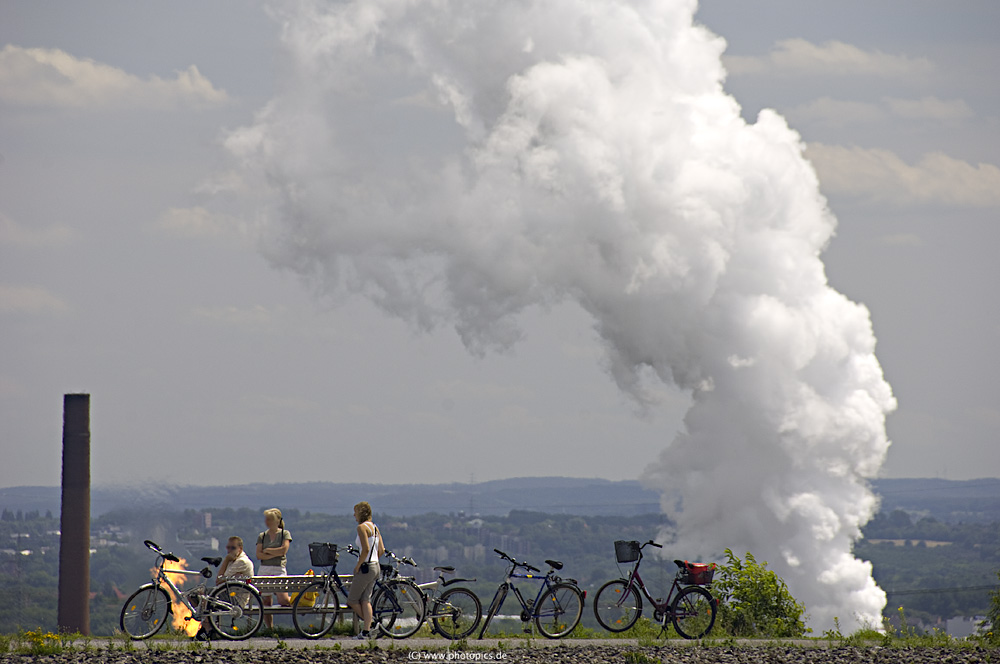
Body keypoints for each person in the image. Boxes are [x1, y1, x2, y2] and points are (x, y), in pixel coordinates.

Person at [346, 501, 384, 640]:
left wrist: (358, 565)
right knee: (365, 600)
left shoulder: (361, 528)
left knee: (352, 600)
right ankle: (367, 631)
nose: (354, 515)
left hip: (366, 568)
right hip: (375, 566)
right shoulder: (375, 527)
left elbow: (366, 549)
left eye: (355, 512)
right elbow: (381, 550)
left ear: (361, 513)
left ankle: (371, 624)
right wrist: (373, 560)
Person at [256, 507, 292, 629]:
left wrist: (268, 551)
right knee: (266, 600)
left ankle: (298, 601)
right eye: (267, 519)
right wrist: (274, 553)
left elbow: (283, 550)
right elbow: (258, 555)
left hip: (278, 568)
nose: (268, 522)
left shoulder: (284, 534)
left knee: (283, 601)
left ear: (277, 521)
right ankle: (269, 627)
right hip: (264, 568)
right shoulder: (262, 536)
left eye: (270, 519)